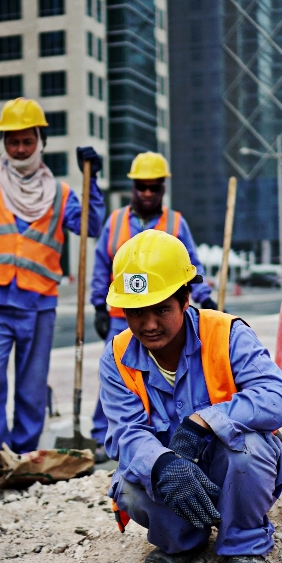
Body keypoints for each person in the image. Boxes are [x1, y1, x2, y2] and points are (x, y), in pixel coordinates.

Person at [99, 230, 282, 563]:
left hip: (231, 463)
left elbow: (280, 399)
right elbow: (124, 433)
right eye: (136, 312)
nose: (148, 325)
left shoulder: (226, 333)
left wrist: (206, 420)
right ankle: (182, 541)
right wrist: (162, 464)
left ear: (186, 298)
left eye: (161, 309)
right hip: (171, 461)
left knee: (248, 453)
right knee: (129, 485)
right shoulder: (117, 356)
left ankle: (244, 547)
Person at [0, 97, 105, 454]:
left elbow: (91, 226)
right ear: (3, 143)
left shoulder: (61, 193)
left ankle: (23, 453)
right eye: (12, 141)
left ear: (41, 142)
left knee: (32, 386)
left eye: (27, 141)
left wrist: (91, 181)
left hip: (40, 304)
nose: (20, 149)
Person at [90, 151, 217, 460]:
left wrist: (206, 296)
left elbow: (191, 266)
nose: (147, 193)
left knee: (167, 376)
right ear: (133, 187)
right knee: (119, 373)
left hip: (163, 313)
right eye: (141, 187)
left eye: (153, 187)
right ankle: (106, 434)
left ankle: (164, 434)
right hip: (125, 315)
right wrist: (98, 304)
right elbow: (101, 262)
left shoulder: (175, 222)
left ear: (162, 188)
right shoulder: (116, 220)